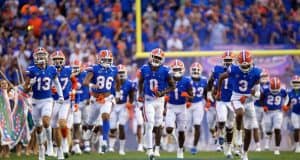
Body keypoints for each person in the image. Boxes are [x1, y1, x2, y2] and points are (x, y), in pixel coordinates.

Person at [216, 50, 262, 160]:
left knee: (249, 130)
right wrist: (219, 91)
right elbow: (221, 77)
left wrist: (249, 95)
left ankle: (245, 153)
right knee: (240, 113)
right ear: (238, 63)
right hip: (236, 97)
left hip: (249, 101)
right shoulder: (234, 69)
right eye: (243, 65)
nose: (245, 68)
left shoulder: (256, 72)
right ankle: (238, 135)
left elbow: (257, 94)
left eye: (247, 66)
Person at [24, 47, 64, 160]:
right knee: (38, 128)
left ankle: (50, 145)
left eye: (43, 56)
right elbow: (25, 89)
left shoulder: (52, 69)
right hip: (35, 101)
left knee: (46, 121)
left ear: (46, 57)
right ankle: (41, 148)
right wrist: (30, 84)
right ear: (35, 58)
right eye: (39, 56)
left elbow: (56, 83)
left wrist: (60, 96)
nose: (41, 58)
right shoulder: (31, 69)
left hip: (47, 100)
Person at [137, 48, 175, 159]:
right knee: (149, 124)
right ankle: (149, 151)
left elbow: (173, 86)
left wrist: (162, 92)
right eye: (155, 57)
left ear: (162, 59)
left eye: (159, 58)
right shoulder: (144, 68)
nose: (157, 59)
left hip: (160, 100)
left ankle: (157, 148)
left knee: (158, 125)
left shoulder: (166, 70)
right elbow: (140, 82)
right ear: (151, 57)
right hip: (148, 100)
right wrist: (140, 94)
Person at [83, 50, 120, 154]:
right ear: (99, 59)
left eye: (109, 60)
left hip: (107, 99)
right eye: (105, 60)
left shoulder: (113, 69)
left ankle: (104, 142)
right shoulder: (94, 68)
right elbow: (85, 82)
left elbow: (118, 82)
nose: (107, 62)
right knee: (90, 122)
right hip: (95, 99)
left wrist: (118, 94)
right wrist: (92, 85)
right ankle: (91, 130)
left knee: (105, 116)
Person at [50, 50, 78, 159]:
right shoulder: (49, 71)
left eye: (59, 60)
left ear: (63, 60)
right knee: (54, 126)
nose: (57, 62)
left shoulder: (67, 70)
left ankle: (65, 143)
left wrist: (73, 90)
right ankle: (57, 148)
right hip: (52, 101)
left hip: (65, 101)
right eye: (55, 60)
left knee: (62, 123)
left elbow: (75, 80)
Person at [207, 51, 235, 156]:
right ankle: (221, 137)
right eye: (226, 60)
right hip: (221, 100)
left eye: (229, 60)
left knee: (230, 125)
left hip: (233, 101)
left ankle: (228, 147)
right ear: (223, 60)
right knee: (222, 120)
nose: (227, 62)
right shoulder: (217, 69)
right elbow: (210, 81)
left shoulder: (236, 70)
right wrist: (209, 92)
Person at [165, 59, 193, 159]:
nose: (176, 71)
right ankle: (173, 136)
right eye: (175, 69)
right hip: (171, 107)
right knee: (169, 129)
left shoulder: (186, 81)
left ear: (182, 69)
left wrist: (188, 96)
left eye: (178, 69)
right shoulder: (168, 80)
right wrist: (164, 98)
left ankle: (180, 150)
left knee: (181, 131)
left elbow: (192, 96)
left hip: (182, 107)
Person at [108, 64, 135, 155]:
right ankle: (111, 147)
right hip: (114, 106)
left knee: (121, 126)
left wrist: (130, 103)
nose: (121, 74)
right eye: (119, 73)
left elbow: (131, 98)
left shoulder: (129, 83)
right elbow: (109, 95)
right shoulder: (112, 83)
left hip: (123, 106)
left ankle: (121, 149)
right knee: (112, 128)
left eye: (122, 72)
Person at [262, 77, 289, 155]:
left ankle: (277, 148)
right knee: (268, 130)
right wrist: (264, 105)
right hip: (268, 112)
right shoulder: (265, 90)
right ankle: (267, 144)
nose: (274, 92)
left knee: (277, 129)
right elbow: (260, 99)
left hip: (278, 112)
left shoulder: (283, 90)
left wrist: (285, 105)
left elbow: (287, 98)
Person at [187, 62, 208, 154]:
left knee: (197, 125)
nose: (195, 71)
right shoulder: (186, 80)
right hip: (187, 105)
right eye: (194, 70)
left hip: (198, 104)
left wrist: (208, 102)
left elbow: (206, 93)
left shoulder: (204, 80)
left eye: (197, 70)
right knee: (185, 126)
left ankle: (194, 146)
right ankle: (183, 144)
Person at [71, 60, 90, 154]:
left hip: (85, 101)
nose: (75, 70)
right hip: (75, 102)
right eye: (73, 68)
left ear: (81, 68)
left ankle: (86, 144)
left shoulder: (85, 74)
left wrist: (90, 98)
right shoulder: (69, 76)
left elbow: (90, 87)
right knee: (76, 123)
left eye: (77, 68)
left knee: (86, 123)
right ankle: (76, 145)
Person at [253, 69, 270, 151]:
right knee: (257, 125)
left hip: (266, 108)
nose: (264, 78)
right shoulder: (256, 83)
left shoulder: (271, 85)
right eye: (262, 77)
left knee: (265, 125)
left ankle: (266, 145)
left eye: (265, 76)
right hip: (256, 106)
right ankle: (258, 145)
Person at [288, 75, 300, 153]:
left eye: (297, 82)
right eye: (294, 82)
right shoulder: (289, 93)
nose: (296, 84)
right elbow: (287, 104)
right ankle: (297, 146)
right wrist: (286, 106)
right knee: (296, 129)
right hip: (294, 113)